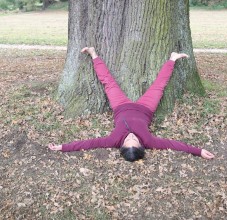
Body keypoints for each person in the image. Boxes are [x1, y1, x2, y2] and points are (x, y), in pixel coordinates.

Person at [48, 47, 214, 162]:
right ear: (142, 145)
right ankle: (172, 58)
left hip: (120, 106)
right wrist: (198, 151)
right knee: (159, 85)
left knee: (108, 83)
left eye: (129, 141)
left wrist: (62, 147)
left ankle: (93, 54)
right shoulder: (149, 141)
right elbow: (173, 145)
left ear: (122, 146)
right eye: (136, 141)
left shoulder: (113, 140)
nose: (132, 137)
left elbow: (88, 144)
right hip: (146, 108)